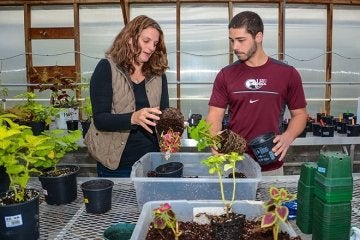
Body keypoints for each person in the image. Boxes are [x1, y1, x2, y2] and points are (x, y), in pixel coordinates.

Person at [206, 11, 307, 175]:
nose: (235, 47)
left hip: (271, 165)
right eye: (232, 41)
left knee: (273, 201)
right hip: (234, 163)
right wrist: (214, 139)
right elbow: (214, 115)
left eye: (241, 40)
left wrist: (288, 136)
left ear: (258, 37)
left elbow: (300, 115)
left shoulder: (287, 74)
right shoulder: (226, 74)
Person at [86, 15, 169, 177]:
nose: (152, 47)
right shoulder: (107, 68)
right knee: (117, 203)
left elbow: (163, 115)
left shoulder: (158, 75)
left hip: (149, 162)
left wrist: (172, 128)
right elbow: (100, 119)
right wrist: (133, 118)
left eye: (155, 43)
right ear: (130, 39)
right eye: (146, 41)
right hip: (115, 163)